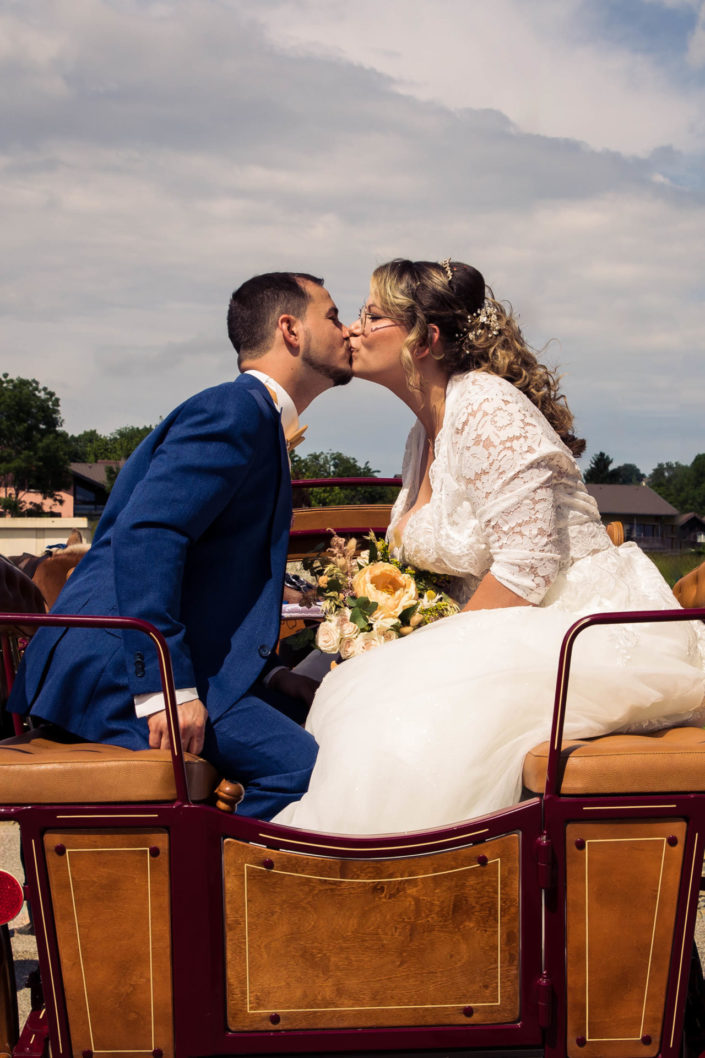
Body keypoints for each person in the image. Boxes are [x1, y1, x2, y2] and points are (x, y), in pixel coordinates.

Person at [273, 258, 705, 834]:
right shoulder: (419, 437)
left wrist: (410, 656)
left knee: (392, 724)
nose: (352, 328)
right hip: (492, 622)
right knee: (324, 690)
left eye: (372, 315)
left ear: (423, 339)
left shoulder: (488, 406)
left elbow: (528, 570)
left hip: (565, 620)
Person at [9, 271, 352, 820]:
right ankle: (213, 903)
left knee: (321, 728)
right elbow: (149, 535)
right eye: (333, 316)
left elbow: (213, 581)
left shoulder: (255, 418)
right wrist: (165, 690)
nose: (350, 330)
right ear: (290, 329)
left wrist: (273, 676)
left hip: (141, 664)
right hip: (114, 670)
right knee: (303, 768)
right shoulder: (235, 411)